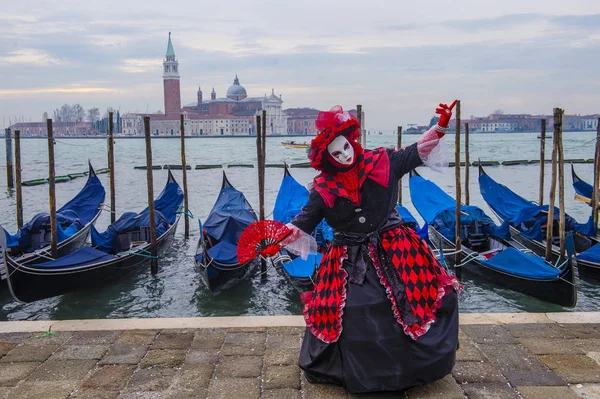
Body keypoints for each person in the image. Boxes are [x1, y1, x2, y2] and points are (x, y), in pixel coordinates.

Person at [280, 102, 462, 394]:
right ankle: (363, 374)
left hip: (398, 249)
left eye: (346, 148)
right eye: (336, 154)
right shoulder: (323, 188)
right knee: (353, 310)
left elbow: (417, 151)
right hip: (348, 259)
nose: (344, 155)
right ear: (328, 158)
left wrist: (440, 127)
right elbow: (304, 221)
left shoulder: (384, 161)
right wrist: (279, 236)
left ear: (352, 141)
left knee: (425, 297)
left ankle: (414, 368)